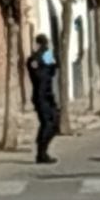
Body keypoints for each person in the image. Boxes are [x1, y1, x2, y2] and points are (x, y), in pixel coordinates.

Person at [26, 34, 59, 164]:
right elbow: (45, 74)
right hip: (41, 96)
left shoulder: (43, 56)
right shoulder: (37, 58)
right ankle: (41, 153)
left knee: (54, 123)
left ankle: (42, 151)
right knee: (48, 124)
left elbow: (53, 70)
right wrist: (47, 58)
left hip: (47, 94)